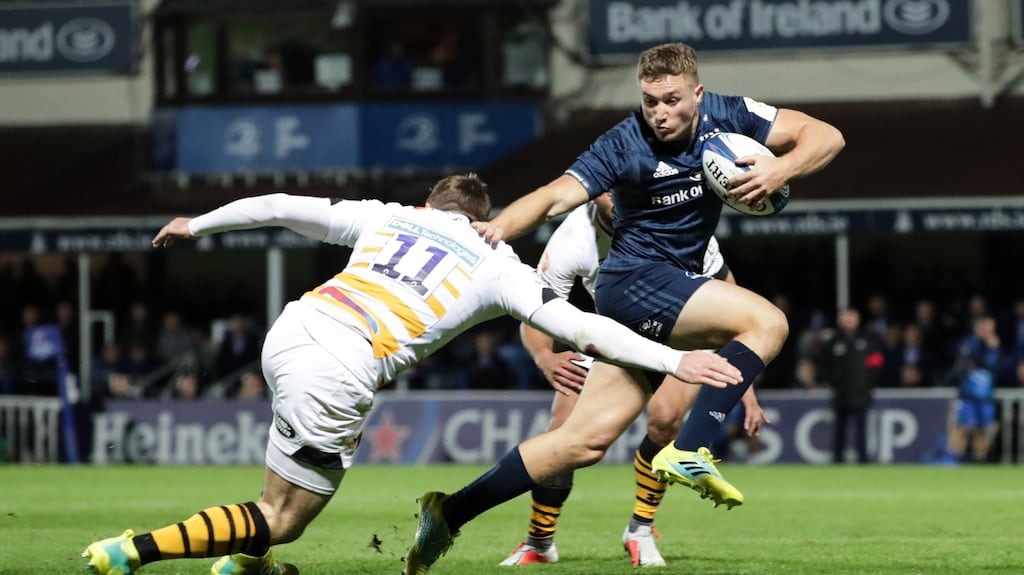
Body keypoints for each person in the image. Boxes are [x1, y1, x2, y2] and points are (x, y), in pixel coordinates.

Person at [82, 174, 741, 575]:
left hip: (292, 331)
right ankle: (132, 551)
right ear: (483, 218)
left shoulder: (390, 215)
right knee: (282, 515)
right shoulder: (499, 261)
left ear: (433, 205)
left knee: (276, 493)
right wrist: (675, 359)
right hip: (343, 366)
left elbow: (282, 203)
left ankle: (248, 561)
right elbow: (586, 329)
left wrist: (197, 223)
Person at [404, 42, 843, 574]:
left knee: (579, 443)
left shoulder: (731, 114)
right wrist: (497, 228)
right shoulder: (623, 142)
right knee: (769, 320)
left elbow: (827, 135)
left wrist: (783, 169)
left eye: (671, 99)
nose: (659, 112)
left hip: (659, 297)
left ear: (697, 94)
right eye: (650, 100)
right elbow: (553, 196)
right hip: (636, 283)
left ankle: (449, 512)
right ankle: (691, 449)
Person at [500, 192, 767, 567]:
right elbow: (535, 305)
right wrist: (545, 356)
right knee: (562, 432)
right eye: (610, 192)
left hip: (679, 336)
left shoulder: (678, 221)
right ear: (594, 196)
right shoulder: (573, 239)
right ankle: (539, 541)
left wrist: (744, 384)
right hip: (616, 338)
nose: (619, 199)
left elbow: (729, 292)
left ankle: (640, 528)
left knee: (666, 418)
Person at [820, 308, 884, 464]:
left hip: (860, 392)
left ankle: (863, 459)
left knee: (861, 428)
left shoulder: (868, 339)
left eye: (852, 318)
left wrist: (868, 383)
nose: (849, 321)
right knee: (839, 427)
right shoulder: (834, 341)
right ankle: (837, 459)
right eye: (846, 318)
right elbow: (824, 364)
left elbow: (877, 362)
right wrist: (830, 382)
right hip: (840, 392)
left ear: (858, 319)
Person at [946, 314, 1002, 463]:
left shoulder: (993, 346)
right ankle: (953, 460)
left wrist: (993, 350)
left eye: (992, 327)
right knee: (962, 428)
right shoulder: (969, 344)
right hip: (967, 395)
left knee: (984, 430)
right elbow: (965, 365)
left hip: (986, 396)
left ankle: (980, 461)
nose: (990, 330)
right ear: (979, 327)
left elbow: (996, 368)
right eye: (987, 327)